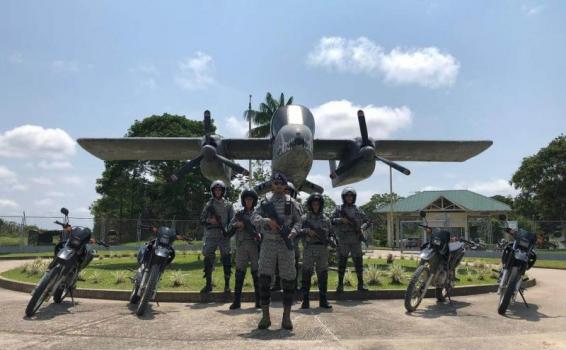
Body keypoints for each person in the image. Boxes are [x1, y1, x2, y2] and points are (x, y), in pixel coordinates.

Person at [252, 172, 302, 330]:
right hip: (268, 243)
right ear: (272, 184)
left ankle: (286, 317)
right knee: (265, 279)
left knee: (288, 279)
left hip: (285, 244)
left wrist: (294, 231)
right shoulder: (264, 202)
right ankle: (265, 317)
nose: (279, 186)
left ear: (285, 186)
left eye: (281, 183)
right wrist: (266, 220)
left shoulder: (292, 202)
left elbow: (299, 220)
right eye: (276, 183)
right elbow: (253, 217)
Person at [227, 188, 261, 309]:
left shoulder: (258, 214)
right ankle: (237, 301)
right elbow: (229, 227)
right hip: (241, 246)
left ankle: (259, 301)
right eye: (246, 199)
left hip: (254, 246)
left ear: (254, 201)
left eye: (251, 199)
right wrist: (237, 225)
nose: (248, 201)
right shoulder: (238, 214)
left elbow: (262, 228)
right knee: (239, 272)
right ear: (243, 200)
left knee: (256, 273)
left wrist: (258, 234)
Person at [331, 187, 369, 292]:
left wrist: (362, 228)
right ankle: (340, 285)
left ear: (354, 197)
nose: (349, 198)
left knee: (358, 262)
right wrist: (341, 220)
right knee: (342, 262)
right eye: (347, 196)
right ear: (344, 197)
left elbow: (367, 221)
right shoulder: (338, 209)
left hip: (356, 239)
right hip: (343, 239)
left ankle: (361, 284)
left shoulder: (358, 209)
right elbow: (330, 220)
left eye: (351, 196)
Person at [200, 180, 234, 293]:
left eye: (220, 189)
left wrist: (227, 230)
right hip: (211, 235)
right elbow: (202, 219)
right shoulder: (209, 204)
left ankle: (227, 286)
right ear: (213, 191)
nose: (218, 191)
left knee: (226, 259)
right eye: (216, 189)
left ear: (223, 191)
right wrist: (210, 220)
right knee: (208, 257)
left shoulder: (228, 205)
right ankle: (208, 284)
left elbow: (233, 220)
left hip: (224, 235)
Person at [300, 193, 333, 309]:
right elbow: (297, 230)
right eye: (313, 204)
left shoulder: (326, 219)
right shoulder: (304, 218)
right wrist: (306, 231)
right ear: (310, 205)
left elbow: (331, 233)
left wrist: (332, 240)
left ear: (321, 205)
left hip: (322, 249)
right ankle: (305, 300)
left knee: (323, 273)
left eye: (317, 204)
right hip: (309, 248)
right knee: (306, 273)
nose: (315, 206)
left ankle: (323, 300)